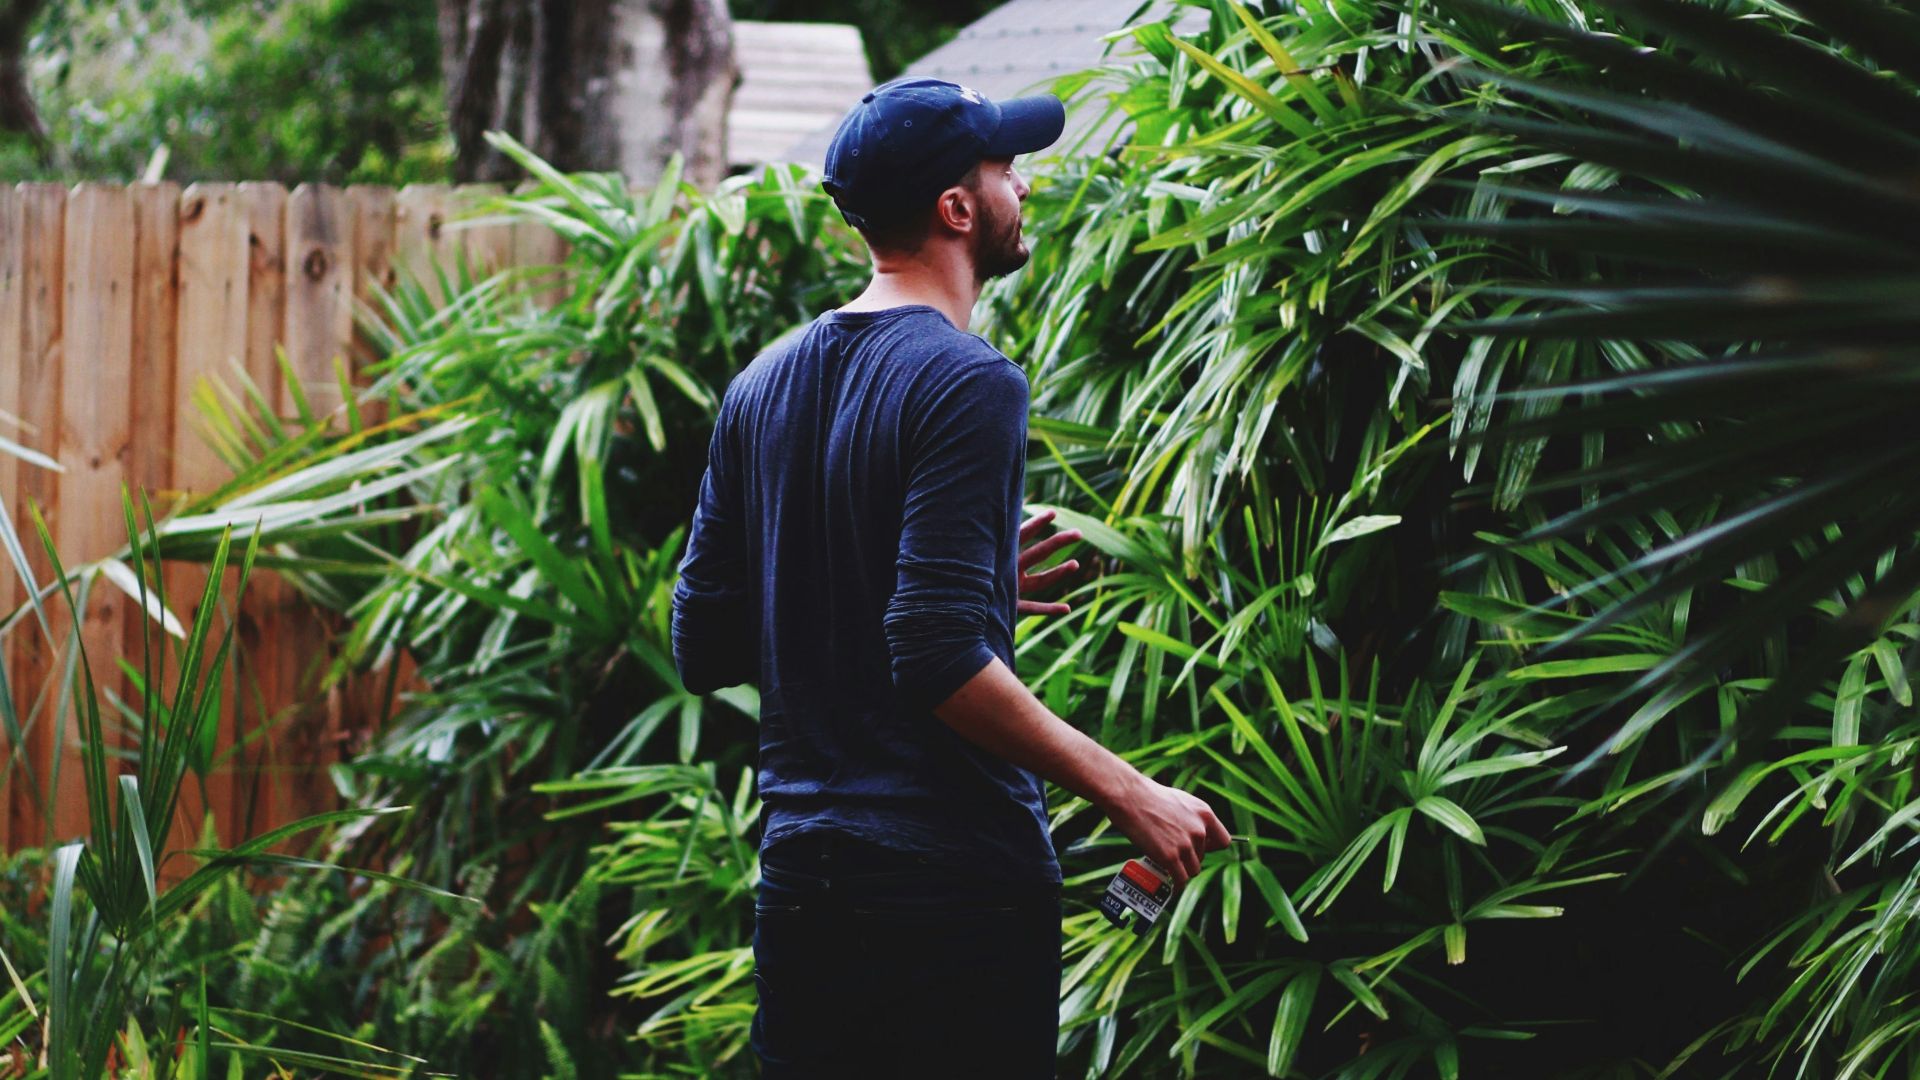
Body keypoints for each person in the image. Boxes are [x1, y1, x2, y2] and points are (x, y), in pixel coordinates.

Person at [670, 76, 1232, 1080]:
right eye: (1005, 168)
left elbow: (702, 643)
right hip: (949, 893)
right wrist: (1131, 793)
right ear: (958, 209)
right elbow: (932, 658)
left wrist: (916, 578)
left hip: (803, 883)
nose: (1023, 183)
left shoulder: (759, 384)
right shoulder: (970, 381)